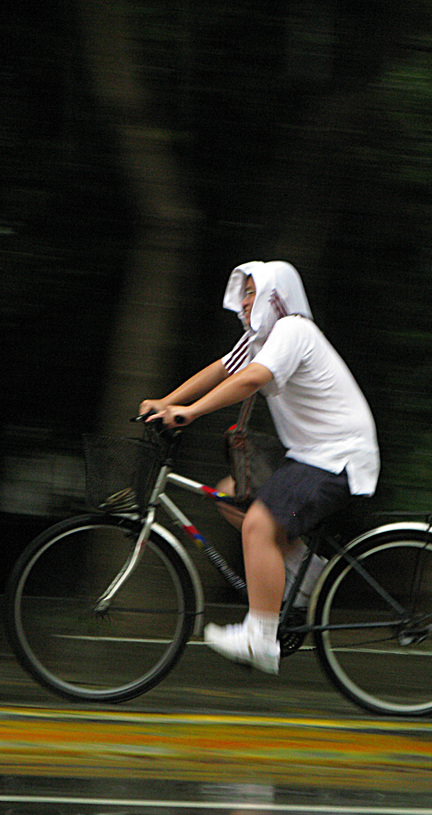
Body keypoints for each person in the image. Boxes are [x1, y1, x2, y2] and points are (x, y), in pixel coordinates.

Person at [140, 260, 379, 674]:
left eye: (254, 292)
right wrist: (168, 401)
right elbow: (222, 369)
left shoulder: (293, 330)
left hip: (337, 457)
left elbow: (251, 380)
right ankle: (308, 575)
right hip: (312, 455)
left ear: (275, 296)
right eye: (244, 292)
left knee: (257, 524)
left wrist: (190, 412)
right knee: (231, 495)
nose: (246, 301)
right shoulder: (260, 340)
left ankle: (261, 638)